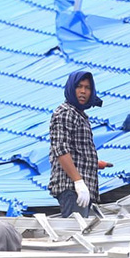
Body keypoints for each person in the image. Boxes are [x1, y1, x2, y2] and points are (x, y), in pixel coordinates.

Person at [49, 70, 112, 218]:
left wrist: (94, 163)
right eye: (79, 87)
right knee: (76, 233)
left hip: (79, 187)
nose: (83, 91)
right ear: (71, 88)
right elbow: (61, 149)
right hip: (72, 188)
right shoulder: (65, 113)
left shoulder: (79, 114)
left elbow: (75, 150)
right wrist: (78, 182)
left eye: (87, 88)